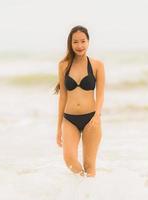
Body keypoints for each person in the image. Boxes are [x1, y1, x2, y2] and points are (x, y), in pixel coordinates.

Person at [54, 25, 105, 177]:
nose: (79, 45)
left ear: (88, 42)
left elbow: (101, 94)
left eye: (83, 41)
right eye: (75, 42)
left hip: (91, 119)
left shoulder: (97, 65)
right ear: (70, 43)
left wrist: (97, 115)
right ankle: (83, 187)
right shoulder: (63, 66)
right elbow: (63, 96)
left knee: (90, 165)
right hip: (69, 120)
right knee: (69, 159)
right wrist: (58, 127)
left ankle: (88, 193)